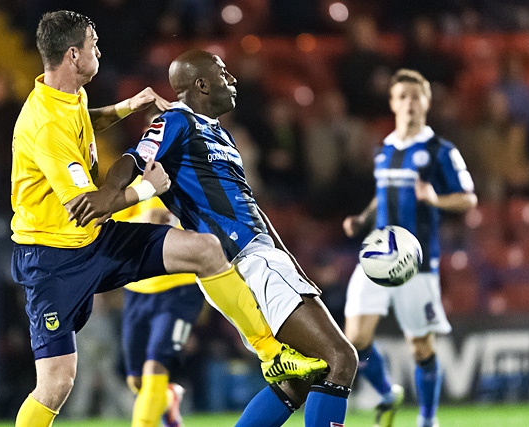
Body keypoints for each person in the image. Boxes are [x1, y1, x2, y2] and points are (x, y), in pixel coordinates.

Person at [10, 12, 326, 427]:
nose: (98, 50)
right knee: (56, 384)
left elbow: (81, 126)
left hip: (92, 240)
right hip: (52, 258)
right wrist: (147, 189)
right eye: (93, 43)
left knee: (205, 249)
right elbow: (85, 205)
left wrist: (127, 107)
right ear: (73, 55)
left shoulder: (67, 97)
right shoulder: (45, 123)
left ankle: (272, 355)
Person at [67, 49, 359, 427]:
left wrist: (290, 264)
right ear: (202, 84)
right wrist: (109, 192)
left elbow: (251, 207)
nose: (232, 80)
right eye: (224, 73)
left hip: (262, 257)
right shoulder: (176, 120)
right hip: (245, 260)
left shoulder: (219, 134)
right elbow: (135, 158)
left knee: (299, 380)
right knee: (340, 359)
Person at [341, 69, 477, 427]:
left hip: (416, 262)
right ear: (392, 103)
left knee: (420, 347)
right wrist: (363, 217)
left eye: (416, 97)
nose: (409, 103)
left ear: (427, 103)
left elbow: (468, 198)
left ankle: (427, 419)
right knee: (354, 339)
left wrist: (434, 198)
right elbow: (381, 192)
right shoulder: (384, 147)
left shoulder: (440, 150)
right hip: (377, 254)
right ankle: (387, 393)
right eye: (402, 96)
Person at [112, 194, 203, 427]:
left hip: (180, 287)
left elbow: (211, 229)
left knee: (156, 364)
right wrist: (144, 219)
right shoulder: (134, 185)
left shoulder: (192, 182)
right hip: (137, 290)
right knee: (136, 380)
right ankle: (168, 398)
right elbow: (107, 229)